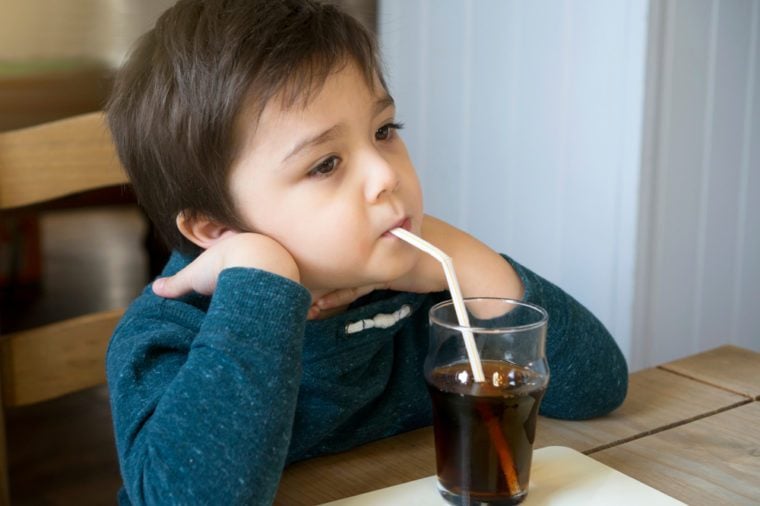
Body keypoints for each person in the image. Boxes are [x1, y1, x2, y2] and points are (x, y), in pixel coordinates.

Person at [105, 0, 628, 504]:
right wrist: (261, 284)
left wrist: (469, 261)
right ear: (216, 230)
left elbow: (596, 389)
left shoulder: (419, 291)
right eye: (325, 164)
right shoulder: (167, 336)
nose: (386, 175)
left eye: (384, 131)